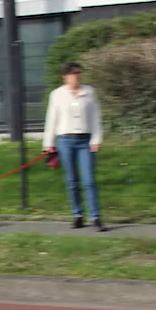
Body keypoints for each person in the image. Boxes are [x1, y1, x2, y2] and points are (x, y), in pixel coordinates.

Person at [43, 61, 106, 231]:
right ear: (64, 76)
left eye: (79, 73)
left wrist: (96, 139)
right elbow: (52, 119)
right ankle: (77, 215)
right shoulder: (57, 94)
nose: (77, 76)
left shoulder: (89, 91)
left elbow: (95, 117)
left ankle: (95, 217)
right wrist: (48, 144)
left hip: (85, 141)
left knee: (89, 180)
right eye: (73, 73)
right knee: (72, 180)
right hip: (65, 140)